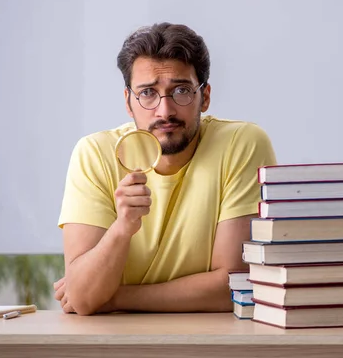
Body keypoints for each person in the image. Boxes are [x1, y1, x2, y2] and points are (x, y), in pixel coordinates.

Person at [53, 23, 277, 316]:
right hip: (112, 343)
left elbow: (234, 285)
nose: (165, 111)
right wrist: (122, 228)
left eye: (181, 90)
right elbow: (83, 299)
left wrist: (115, 297)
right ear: (128, 102)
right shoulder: (94, 154)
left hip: (214, 342)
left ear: (204, 96)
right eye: (147, 93)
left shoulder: (242, 143)